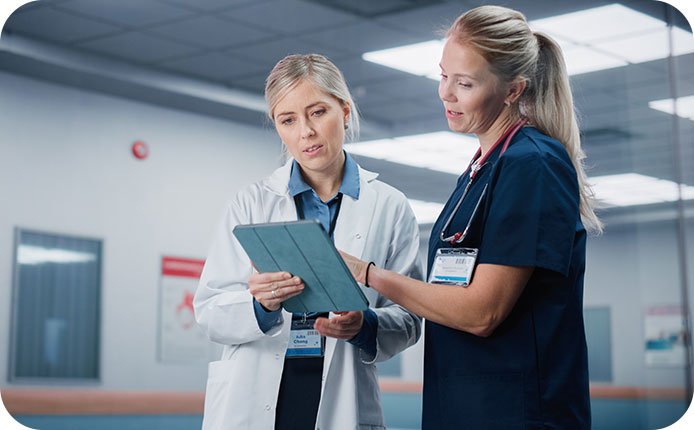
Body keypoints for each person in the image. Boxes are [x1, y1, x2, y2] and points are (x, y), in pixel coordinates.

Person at [338, 5, 602, 429]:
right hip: (464, 404)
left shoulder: (533, 164)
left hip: (519, 413)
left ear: (513, 90)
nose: (446, 93)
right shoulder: (482, 169)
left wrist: (368, 274)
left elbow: (483, 313)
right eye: (443, 76)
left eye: (465, 83)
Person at [193, 53, 423, 430]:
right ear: (277, 126)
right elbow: (210, 310)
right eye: (288, 120)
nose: (306, 132)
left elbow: (410, 319)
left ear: (344, 112)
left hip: (342, 396)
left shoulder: (389, 205)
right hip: (253, 398)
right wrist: (261, 306)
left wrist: (363, 325)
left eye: (318, 112)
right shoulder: (251, 203)